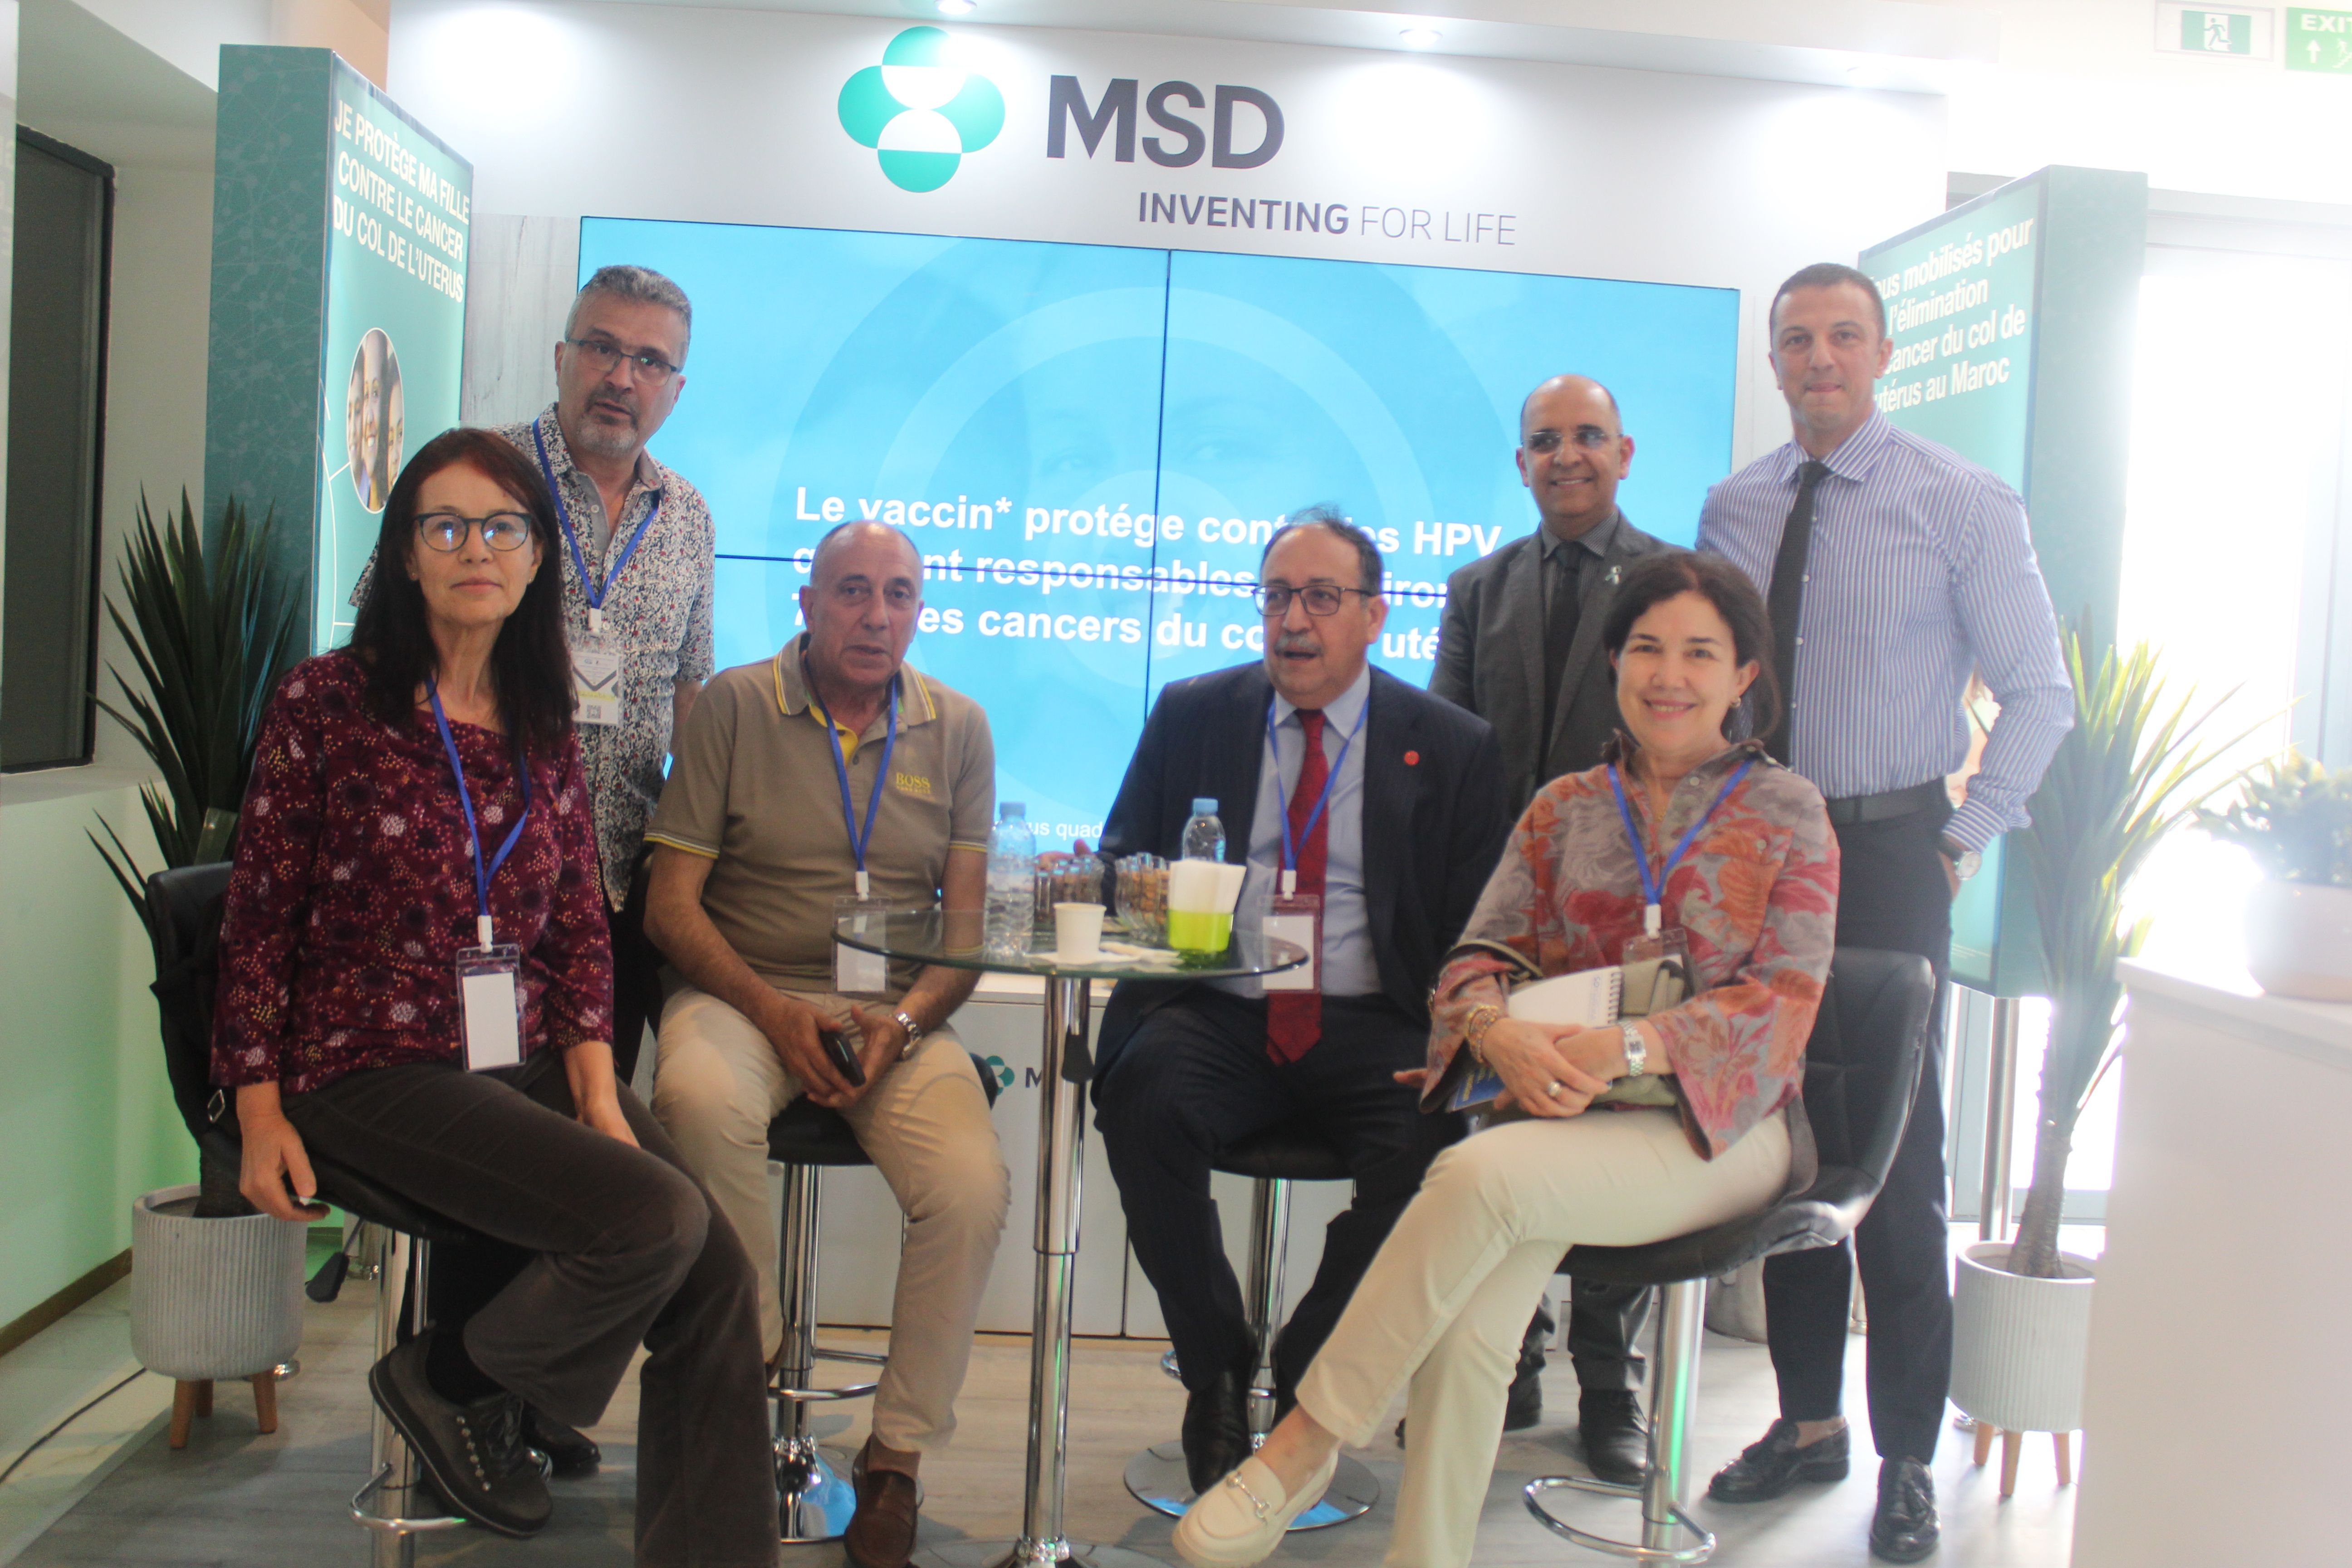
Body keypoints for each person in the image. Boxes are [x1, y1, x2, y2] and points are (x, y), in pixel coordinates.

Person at [1171, 550, 1838, 1568]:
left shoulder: (1788, 811)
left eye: (1701, 654)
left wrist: (1628, 1045)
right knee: (1471, 1324)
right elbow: (1475, 960)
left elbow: (1782, 1001)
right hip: (1566, 1120)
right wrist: (1496, 1032)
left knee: (1477, 1174)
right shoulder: (1565, 806)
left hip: (1720, 1127)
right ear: (1615, 662)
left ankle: (1303, 1443)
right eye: (1647, 648)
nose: (1669, 676)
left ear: (1744, 674)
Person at [213, 428, 774, 1567]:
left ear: (534, 559)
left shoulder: (540, 718)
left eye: (504, 527)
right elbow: (258, 917)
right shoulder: (327, 702)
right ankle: (456, 1378)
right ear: (405, 555)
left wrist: (600, 1098)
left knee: (715, 1272)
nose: (478, 549)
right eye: (447, 526)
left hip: (509, 1054)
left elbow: (575, 927)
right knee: (652, 1218)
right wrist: (257, 1110)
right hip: (362, 1067)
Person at [1695, 261, 2072, 1563]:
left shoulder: (1958, 499)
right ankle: (1808, 1425)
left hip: (1894, 849)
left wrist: (1963, 837)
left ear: (1884, 353)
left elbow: (2039, 692)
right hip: (1763, 861)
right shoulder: (1734, 506)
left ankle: (1906, 1455)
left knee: (1901, 1161)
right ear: (1773, 361)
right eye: (1797, 339)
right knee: (1787, 1139)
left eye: (1844, 336)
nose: (1820, 359)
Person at [1095, 508, 1511, 1498]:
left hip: (1376, 1018)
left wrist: (1460, 1035)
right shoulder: (1194, 712)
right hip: (1223, 1007)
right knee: (1143, 1100)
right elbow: (1120, 858)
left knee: (1431, 1149)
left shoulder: (1451, 744)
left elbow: (1484, 924)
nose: (1294, 621)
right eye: (1278, 596)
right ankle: (1215, 1367)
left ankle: (1308, 1373)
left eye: (1322, 598)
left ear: (1374, 615)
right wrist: (1158, 893)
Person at [642, 520, 1009, 1568]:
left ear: (920, 612)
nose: (876, 616)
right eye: (852, 591)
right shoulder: (734, 706)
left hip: (892, 1014)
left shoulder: (960, 727)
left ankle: (895, 1460)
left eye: (898, 595)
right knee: (698, 1105)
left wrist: (904, 1024)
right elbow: (670, 908)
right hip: (742, 993)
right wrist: (772, 1011)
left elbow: (965, 939)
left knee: (972, 1188)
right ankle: (742, 1388)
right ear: (806, 605)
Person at [353, 264, 714, 1088]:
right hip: (467, 871)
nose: (621, 377)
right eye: (601, 348)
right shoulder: (477, 474)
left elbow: (690, 692)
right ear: (560, 357)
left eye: (650, 361)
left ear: (676, 388)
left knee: (589, 1112)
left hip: (613, 883)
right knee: (466, 1121)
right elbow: (384, 644)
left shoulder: (689, 516)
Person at [1428, 372, 1677, 1479]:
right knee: (1502, 1131)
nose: (1566, 454)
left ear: (1624, 452)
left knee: (1617, 1132)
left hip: (1628, 911)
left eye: (1586, 435)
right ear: (1521, 463)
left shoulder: (1670, 585)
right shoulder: (1477, 589)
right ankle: (1511, 1356)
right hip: (1507, 909)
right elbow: (1441, 750)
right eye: (1544, 440)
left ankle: (1611, 1385)